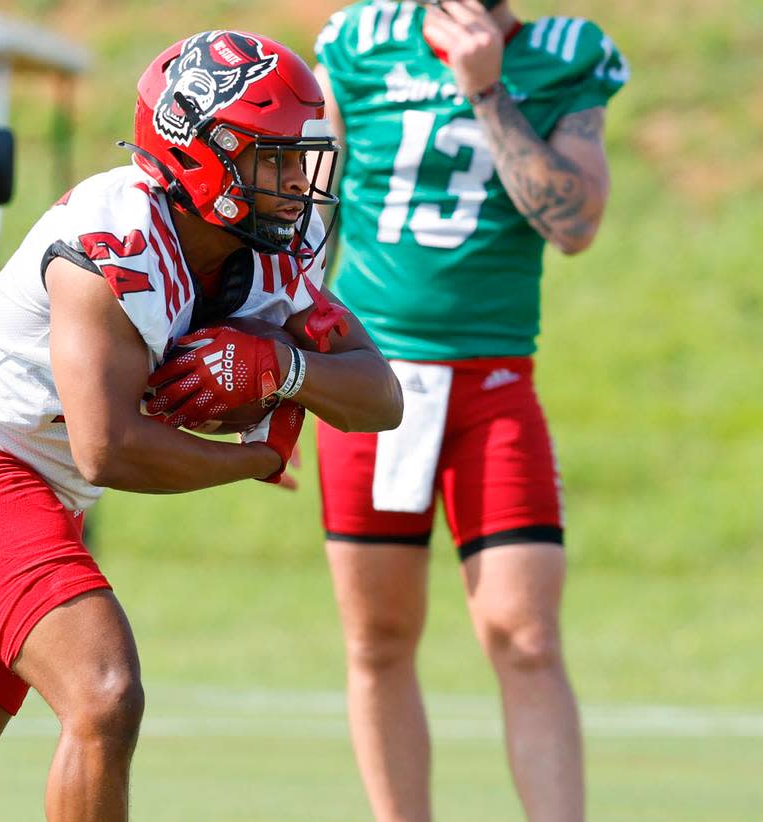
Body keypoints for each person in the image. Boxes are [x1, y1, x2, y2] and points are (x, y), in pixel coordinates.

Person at [0, 30, 403, 821]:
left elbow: (380, 395)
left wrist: (286, 370)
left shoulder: (270, 244)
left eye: (295, 156)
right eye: (270, 158)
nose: (294, 181)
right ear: (198, 153)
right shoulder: (114, 240)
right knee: (105, 694)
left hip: (27, 486)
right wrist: (250, 462)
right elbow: (106, 448)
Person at [312, 1, 628, 819]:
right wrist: (280, 378)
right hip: (369, 381)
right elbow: (309, 219)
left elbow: (577, 224)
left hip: (491, 384)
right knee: (377, 639)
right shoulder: (358, 41)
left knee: (524, 637)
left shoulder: (566, 51)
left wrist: (488, 94)